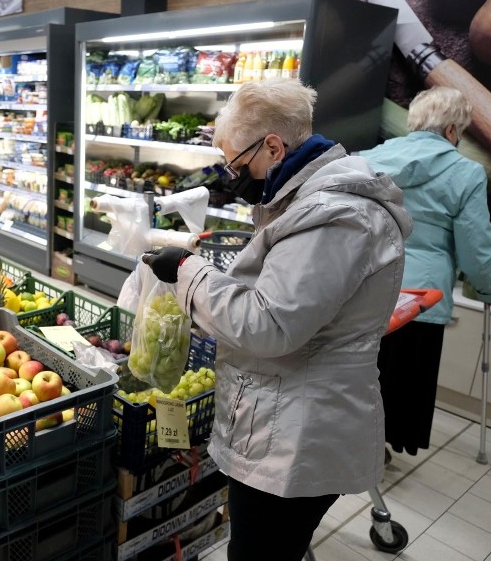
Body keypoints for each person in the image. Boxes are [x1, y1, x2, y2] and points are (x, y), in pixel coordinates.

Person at [137, 78, 411, 561]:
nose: (234, 175)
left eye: (238, 163)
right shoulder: (310, 198)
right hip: (283, 414)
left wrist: (187, 272)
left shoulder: (337, 215)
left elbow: (269, 324)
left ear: (273, 145)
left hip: (298, 431)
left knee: (260, 551)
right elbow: (290, 288)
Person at [359, 86, 491, 458]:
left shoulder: (371, 158)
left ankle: (353, 440)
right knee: (404, 376)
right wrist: (490, 289)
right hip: (420, 296)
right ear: (454, 130)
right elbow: (475, 245)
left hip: (366, 281)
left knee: (361, 368)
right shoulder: (467, 172)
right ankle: (381, 445)